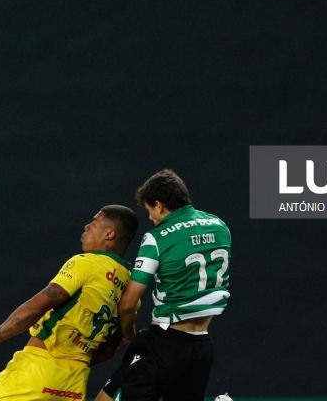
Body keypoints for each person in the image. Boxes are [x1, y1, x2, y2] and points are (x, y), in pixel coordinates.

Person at [0, 204, 139, 401]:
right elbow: (112, 347)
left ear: (109, 234)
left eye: (94, 222)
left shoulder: (86, 263)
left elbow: (36, 307)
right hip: (74, 383)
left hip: (37, 371)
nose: (87, 226)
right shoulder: (130, 285)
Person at [96, 169, 232, 401]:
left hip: (164, 343)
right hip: (201, 347)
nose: (151, 218)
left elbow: (128, 303)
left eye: (150, 211)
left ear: (159, 205)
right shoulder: (220, 226)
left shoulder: (157, 237)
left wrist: (128, 335)